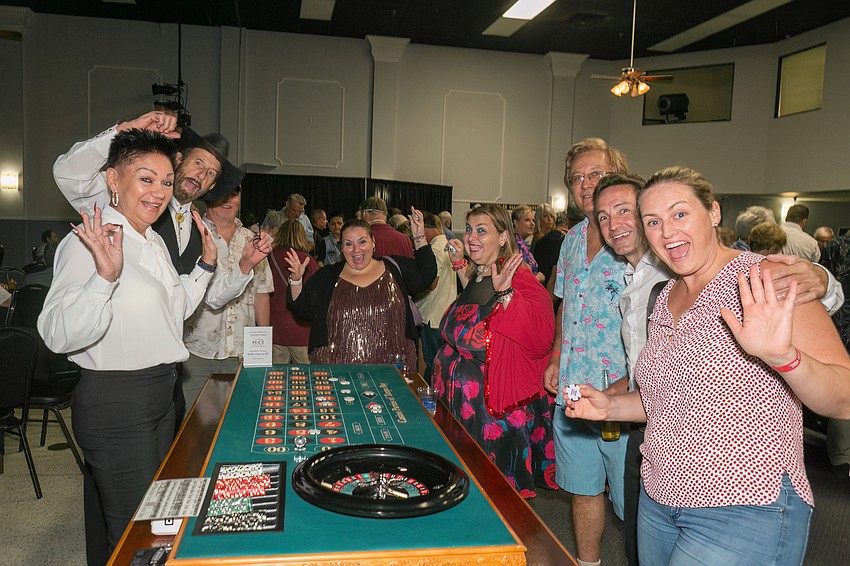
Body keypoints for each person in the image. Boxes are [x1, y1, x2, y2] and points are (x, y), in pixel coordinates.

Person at [567, 166, 850, 565]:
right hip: (659, 501)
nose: (666, 231)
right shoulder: (664, 296)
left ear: (714, 213)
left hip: (745, 506)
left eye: (680, 214)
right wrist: (610, 407)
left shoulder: (764, 277)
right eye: (653, 221)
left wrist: (783, 358)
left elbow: (844, 398)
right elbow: (665, 402)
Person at [37, 129, 218, 564]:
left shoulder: (151, 240)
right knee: (138, 539)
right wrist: (104, 279)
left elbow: (172, 313)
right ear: (113, 181)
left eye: (166, 182)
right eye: (146, 178)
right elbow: (56, 333)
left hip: (159, 393)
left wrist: (207, 265)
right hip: (117, 401)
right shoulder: (94, 236)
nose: (159, 192)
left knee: (153, 523)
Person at [543, 137, 630, 566]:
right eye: (577, 177)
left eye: (595, 173)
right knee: (582, 489)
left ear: (618, 172)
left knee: (636, 504)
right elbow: (566, 304)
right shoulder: (571, 239)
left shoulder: (639, 238)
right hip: (574, 394)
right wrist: (557, 355)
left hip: (626, 400)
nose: (585, 184)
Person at [438, 204, 556, 498]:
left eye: (482, 230)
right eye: (469, 229)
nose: (472, 236)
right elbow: (476, 309)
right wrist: (460, 266)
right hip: (461, 408)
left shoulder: (518, 277)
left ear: (503, 237)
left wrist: (506, 295)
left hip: (492, 414)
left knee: (497, 499)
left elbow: (541, 337)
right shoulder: (481, 273)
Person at [285, 208, 435, 369]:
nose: (356, 250)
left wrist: (419, 237)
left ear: (373, 243)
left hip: (393, 372)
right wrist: (296, 280)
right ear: (341, 248)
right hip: (337, 374)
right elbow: (303, 310)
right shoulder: (327, 277)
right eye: (348, 244)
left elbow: (426, 274)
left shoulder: (394, 268)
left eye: (362, 241)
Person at [181, 187, 273, 410]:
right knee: (193, 428)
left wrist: (261, 349)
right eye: (222, 194)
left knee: (238, 421)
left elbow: (261, 293)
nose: (228, 200)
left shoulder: (253, 240)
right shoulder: (190, 234)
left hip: (241, 352)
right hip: (196, 351)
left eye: (233, 195)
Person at [819, 230, 850, 482]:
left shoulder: (837, 245)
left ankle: (841, 457)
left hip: (841, 325)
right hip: (841, 326)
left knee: (844, 387)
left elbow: (827, 285)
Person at [268, 220, 318, 364]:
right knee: (305, 379)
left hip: (274, 328)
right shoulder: (308, 261)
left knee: (276, 380)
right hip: (301, 331)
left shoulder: (269, 258)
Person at [415, 213, 457, 380]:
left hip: (432, 316)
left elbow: (432, 282)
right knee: (439, 364)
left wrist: (414, 284)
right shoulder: (448, 246)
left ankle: (430, 401)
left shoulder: (434, 249)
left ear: (427, 228)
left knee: (433, 365)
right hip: (444, 314)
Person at [532, 211, 569, 287]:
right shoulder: (539, 238)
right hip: (547, 284)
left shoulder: (543, 239)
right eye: (545, 216)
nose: (549, 219)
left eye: (551, 216)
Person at [510, 205, 542, 280]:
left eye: (533, 220)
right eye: (527, 220)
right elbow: (521, 277)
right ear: (516, 223)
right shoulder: (514, 244)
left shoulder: (522, 243)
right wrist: (538, 277)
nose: (532, 224)